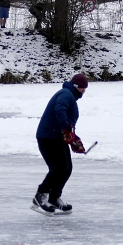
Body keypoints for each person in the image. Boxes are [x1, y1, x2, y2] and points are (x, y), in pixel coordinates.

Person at [33, 73, 89, 215]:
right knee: (59, 168)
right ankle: (40, 196)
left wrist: (74, 139)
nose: (83, 91)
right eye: (82, 88)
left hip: (56, 137)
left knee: (67, 168)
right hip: (48, 136)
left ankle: (54, 198)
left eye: (85, 88)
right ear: (76, 86)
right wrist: (65, 128)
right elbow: (59, 109)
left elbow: (68, 124)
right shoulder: (66, 94)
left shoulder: (69, 96)